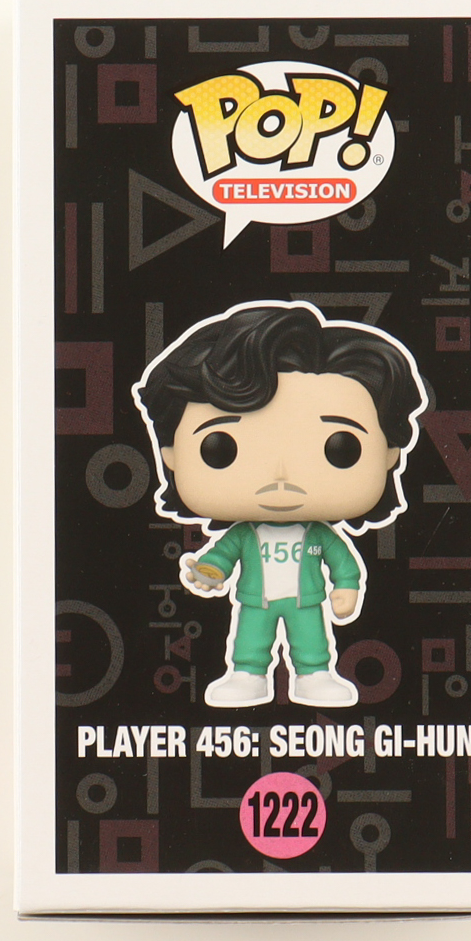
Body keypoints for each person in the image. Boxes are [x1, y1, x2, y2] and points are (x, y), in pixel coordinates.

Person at [133, 301, 426, 707]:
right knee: (250, 639)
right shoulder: (243, 535)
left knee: (312, 640)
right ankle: (247, 676)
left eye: (341, 448)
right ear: (170, 455)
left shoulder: (320, 534)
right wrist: (209, 572)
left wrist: (347, 587)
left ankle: (315, 676)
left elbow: (343, 563)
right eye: (221, 448)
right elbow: (221, 557)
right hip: (256, 600)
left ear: (390, 453)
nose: (281, 475)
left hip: (307, 601)